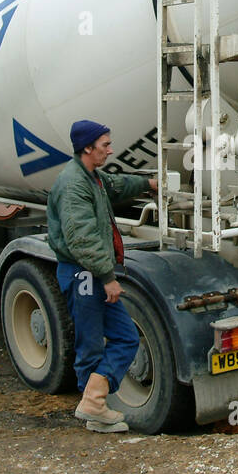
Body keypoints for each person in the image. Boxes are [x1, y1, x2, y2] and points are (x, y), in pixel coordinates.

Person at [47, 120, 157, 432]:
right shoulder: (73, 185)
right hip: (83, 273)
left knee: (126, 336)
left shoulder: (91, 176)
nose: (110, 150)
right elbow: (81, 239)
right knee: (90, 343)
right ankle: (93, 408)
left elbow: (118, 186)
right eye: (105, 145)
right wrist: (107, 278)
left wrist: (149, 184)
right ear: (87, 148)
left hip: (92, 272)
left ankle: (93, 402)